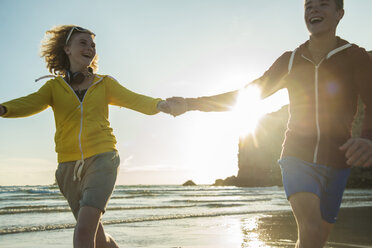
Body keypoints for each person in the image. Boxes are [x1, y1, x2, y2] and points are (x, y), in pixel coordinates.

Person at [163, 0, 372, 247]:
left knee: (313, 239)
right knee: (312, 230)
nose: (313, 10)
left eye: (323, 4)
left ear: (340, 14)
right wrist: (190, 103)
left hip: (338, 162)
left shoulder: (356, 56)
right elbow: (247, 94)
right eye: (308, 6)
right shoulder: (290, 60)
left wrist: (368, 137)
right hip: (297, 156)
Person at [0, 25, 171, 248]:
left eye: (93, 45)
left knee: (82, 234)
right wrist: (3, 109)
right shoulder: (53, 88)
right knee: (97, 238)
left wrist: (159, 104)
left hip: (103, 159)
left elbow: (134, 99)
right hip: (67, 169)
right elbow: (28, 103)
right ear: (67, 49)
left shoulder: (104, 84)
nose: (90, 48)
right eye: (83, 43)